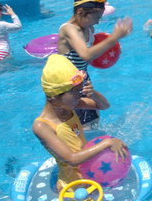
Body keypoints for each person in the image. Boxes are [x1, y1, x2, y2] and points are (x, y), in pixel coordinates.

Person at [32, 54, 127, 191]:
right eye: (75, 92)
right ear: (53, 97)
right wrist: (106, 143)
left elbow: (104, 105)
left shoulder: (70, 105)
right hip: (73, 186)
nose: (79, 96)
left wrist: (93, 93)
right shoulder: (42, 126)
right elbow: (71, 158)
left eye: (80, 91)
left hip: (91, 173)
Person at [57, 0, 133, 127]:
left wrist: (112, 49)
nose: (97, 23)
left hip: (84, 83)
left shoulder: (89, 28)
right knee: (73, 126)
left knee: (92, 122)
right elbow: (85, 54)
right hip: (68, 89)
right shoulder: (69, 29)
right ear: (80, 12)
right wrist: (115, 37)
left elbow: (91, 55)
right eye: (96, 18)